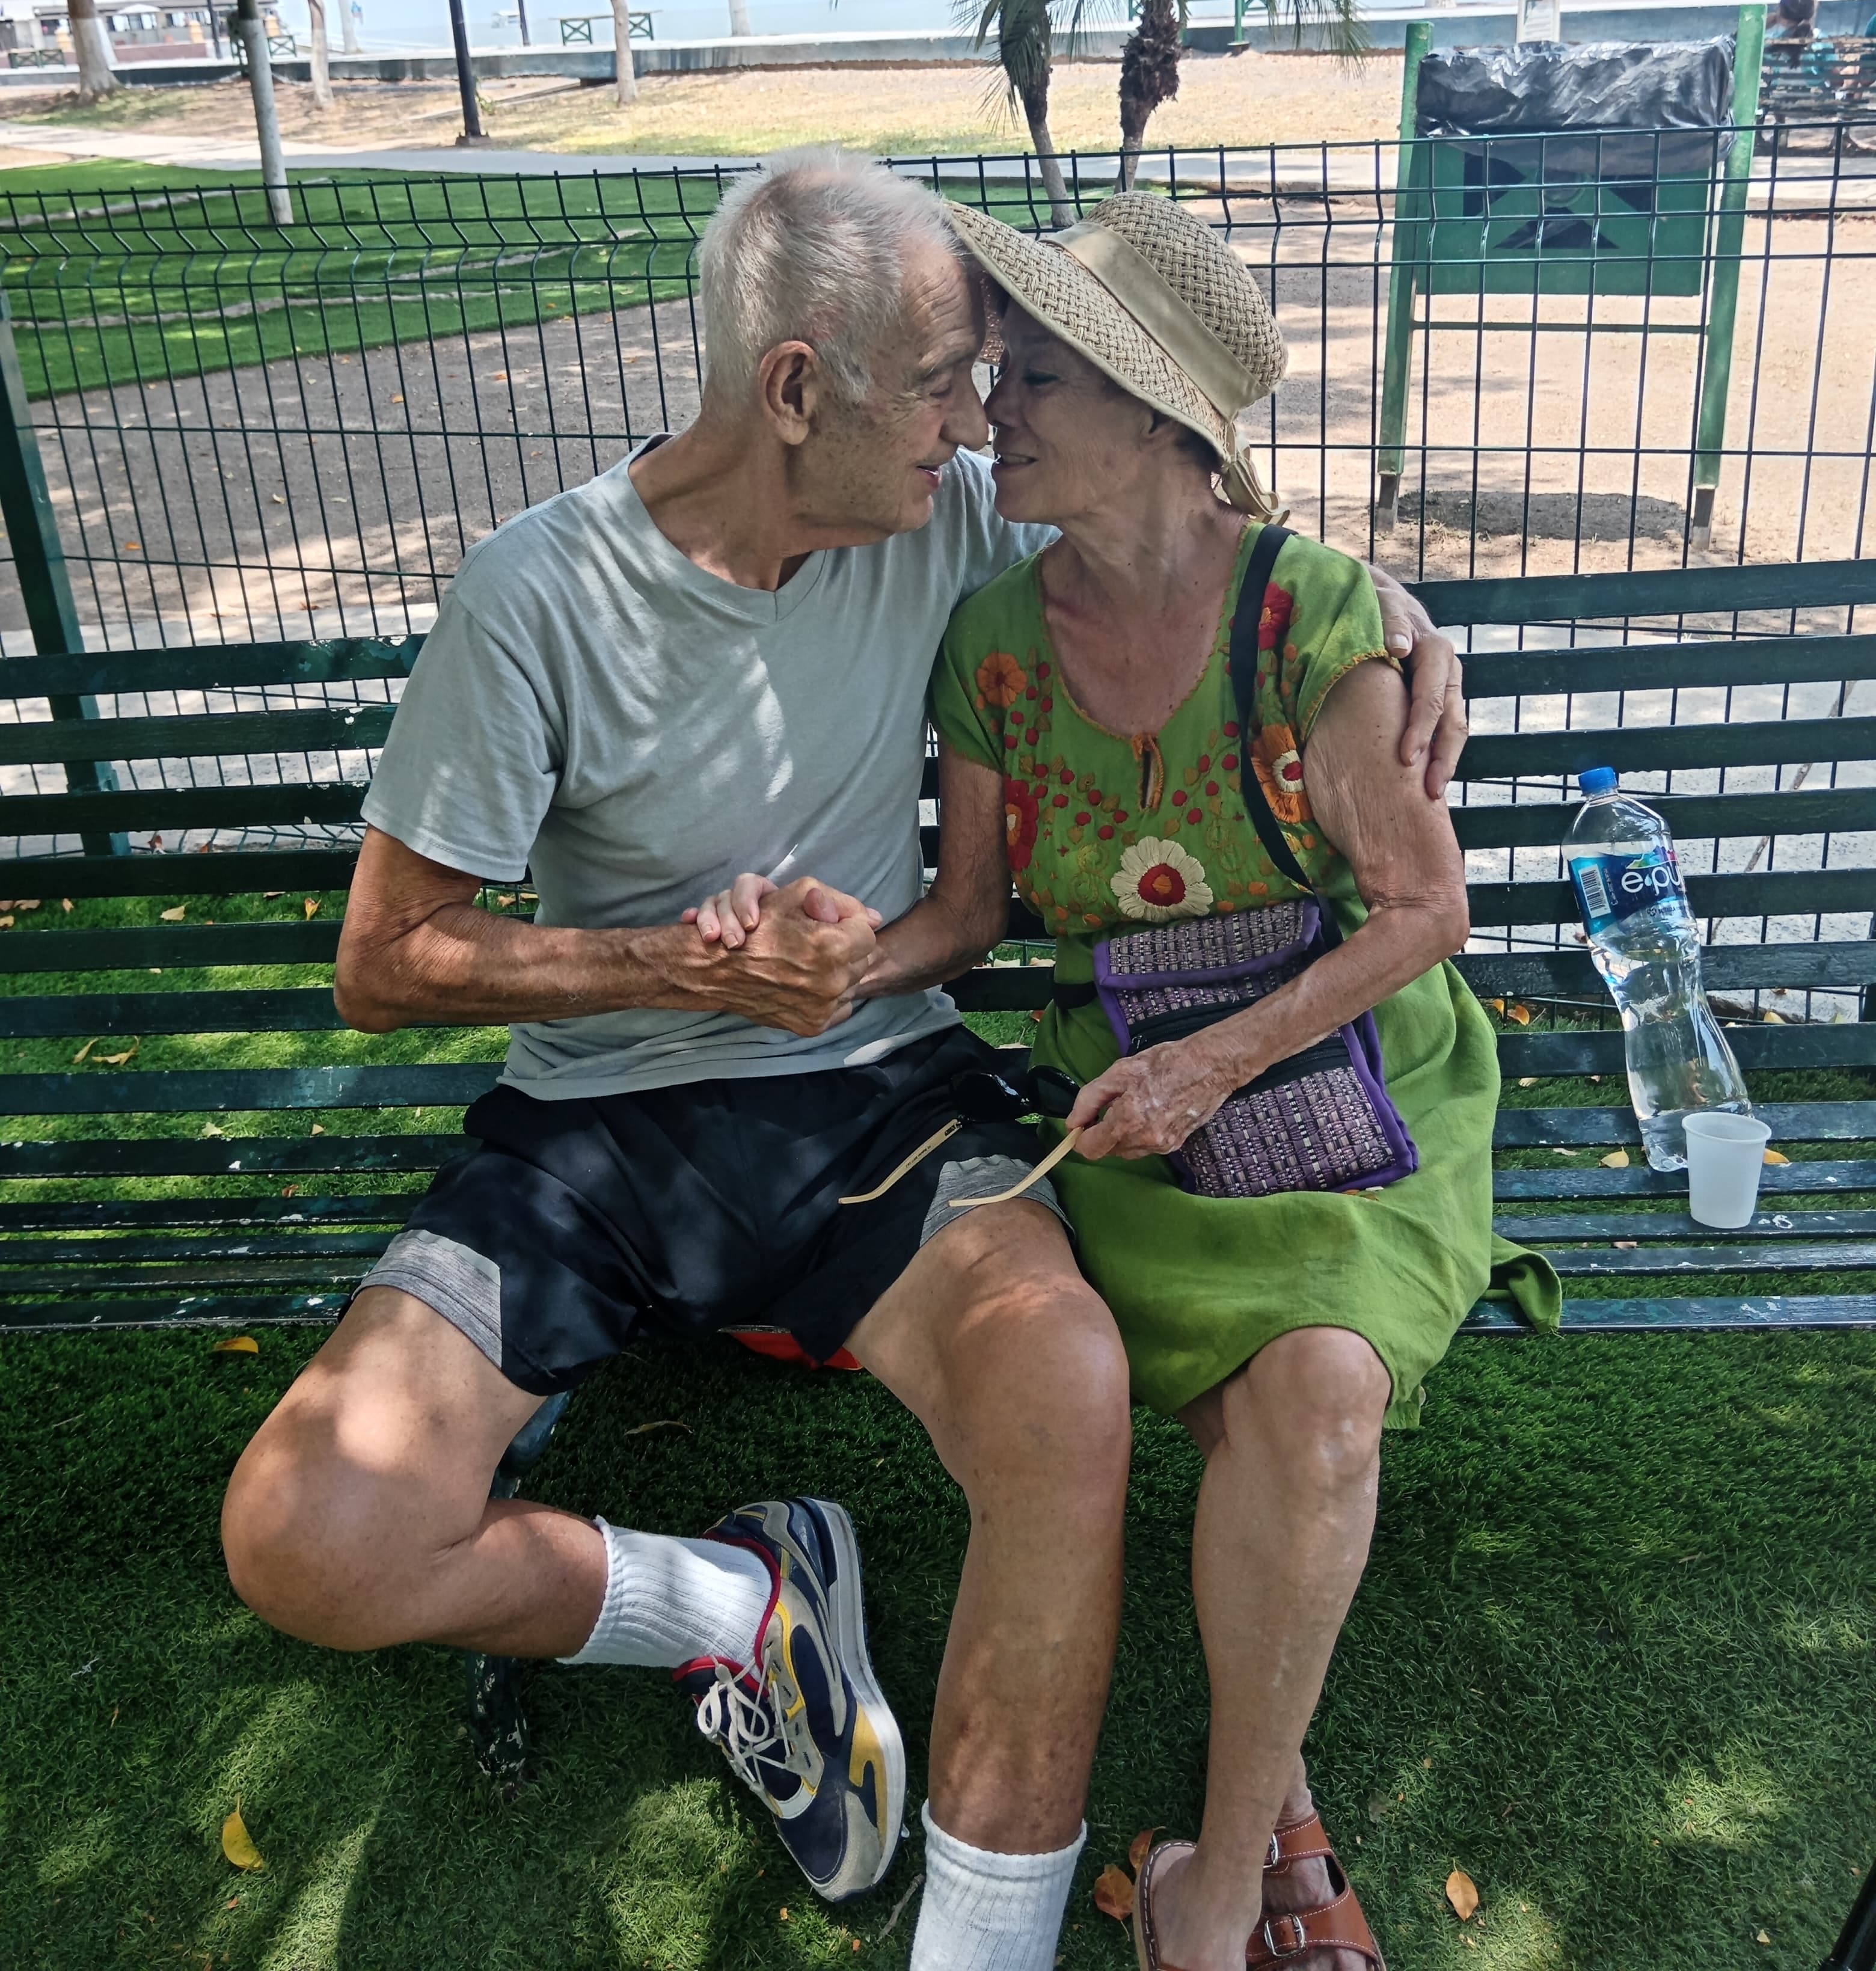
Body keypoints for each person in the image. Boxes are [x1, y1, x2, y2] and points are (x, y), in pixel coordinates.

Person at [219, 152, 1466, 1971]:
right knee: (308, 1539)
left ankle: (983, 1944)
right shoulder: (535, 596)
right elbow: (383, 962)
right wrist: (668, 964)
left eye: (993, 387)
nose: (978, 427)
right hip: (591, 1130)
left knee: (1066, 1393)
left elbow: (1198, 540)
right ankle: (729, 1606)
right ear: (796, 390)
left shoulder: (948, 525)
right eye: (951, 382)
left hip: (877, 1091)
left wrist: (1410, 626)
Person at [762, 188, 1553, 1971]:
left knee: (1320, 1391)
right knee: (1261, 1416)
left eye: (1037, 380)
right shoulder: (992, 642)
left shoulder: (1311, 623)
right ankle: (1269, 1822)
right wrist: (824, 968)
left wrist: (1222, 1056)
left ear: (1163, 417)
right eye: (999, 378)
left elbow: (1429, 911)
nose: (996, 415)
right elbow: (965, 917)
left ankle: (1210, 1887)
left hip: (1341, 1070)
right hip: (1118, 1105)